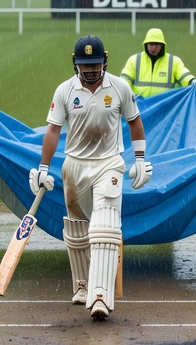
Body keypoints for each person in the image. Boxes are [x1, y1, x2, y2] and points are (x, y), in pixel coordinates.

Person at [35, 36, 151, 320]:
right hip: (74, 165)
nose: (90, 70)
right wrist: (43, 168)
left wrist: (139, 159)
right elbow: (53, 131)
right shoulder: (65, 90)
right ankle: (82, 286)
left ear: (105, 61)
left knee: (105, 226)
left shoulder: (120, 88)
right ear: (75, 63)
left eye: (95, 64)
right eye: (84, 65)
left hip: (108, 164)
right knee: (77, 228)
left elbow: (134, 122)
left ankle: (101, 295)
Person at [119, 28, 196, 98]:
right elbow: (125, 79)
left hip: (165, 110)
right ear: (146, 44)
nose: (153, 48)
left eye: (157, 45)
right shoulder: (134, 60)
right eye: (151, 44)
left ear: (162, 45)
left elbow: (183, 74)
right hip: (139, 108)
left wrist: (191, 80)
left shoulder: (173, 61)